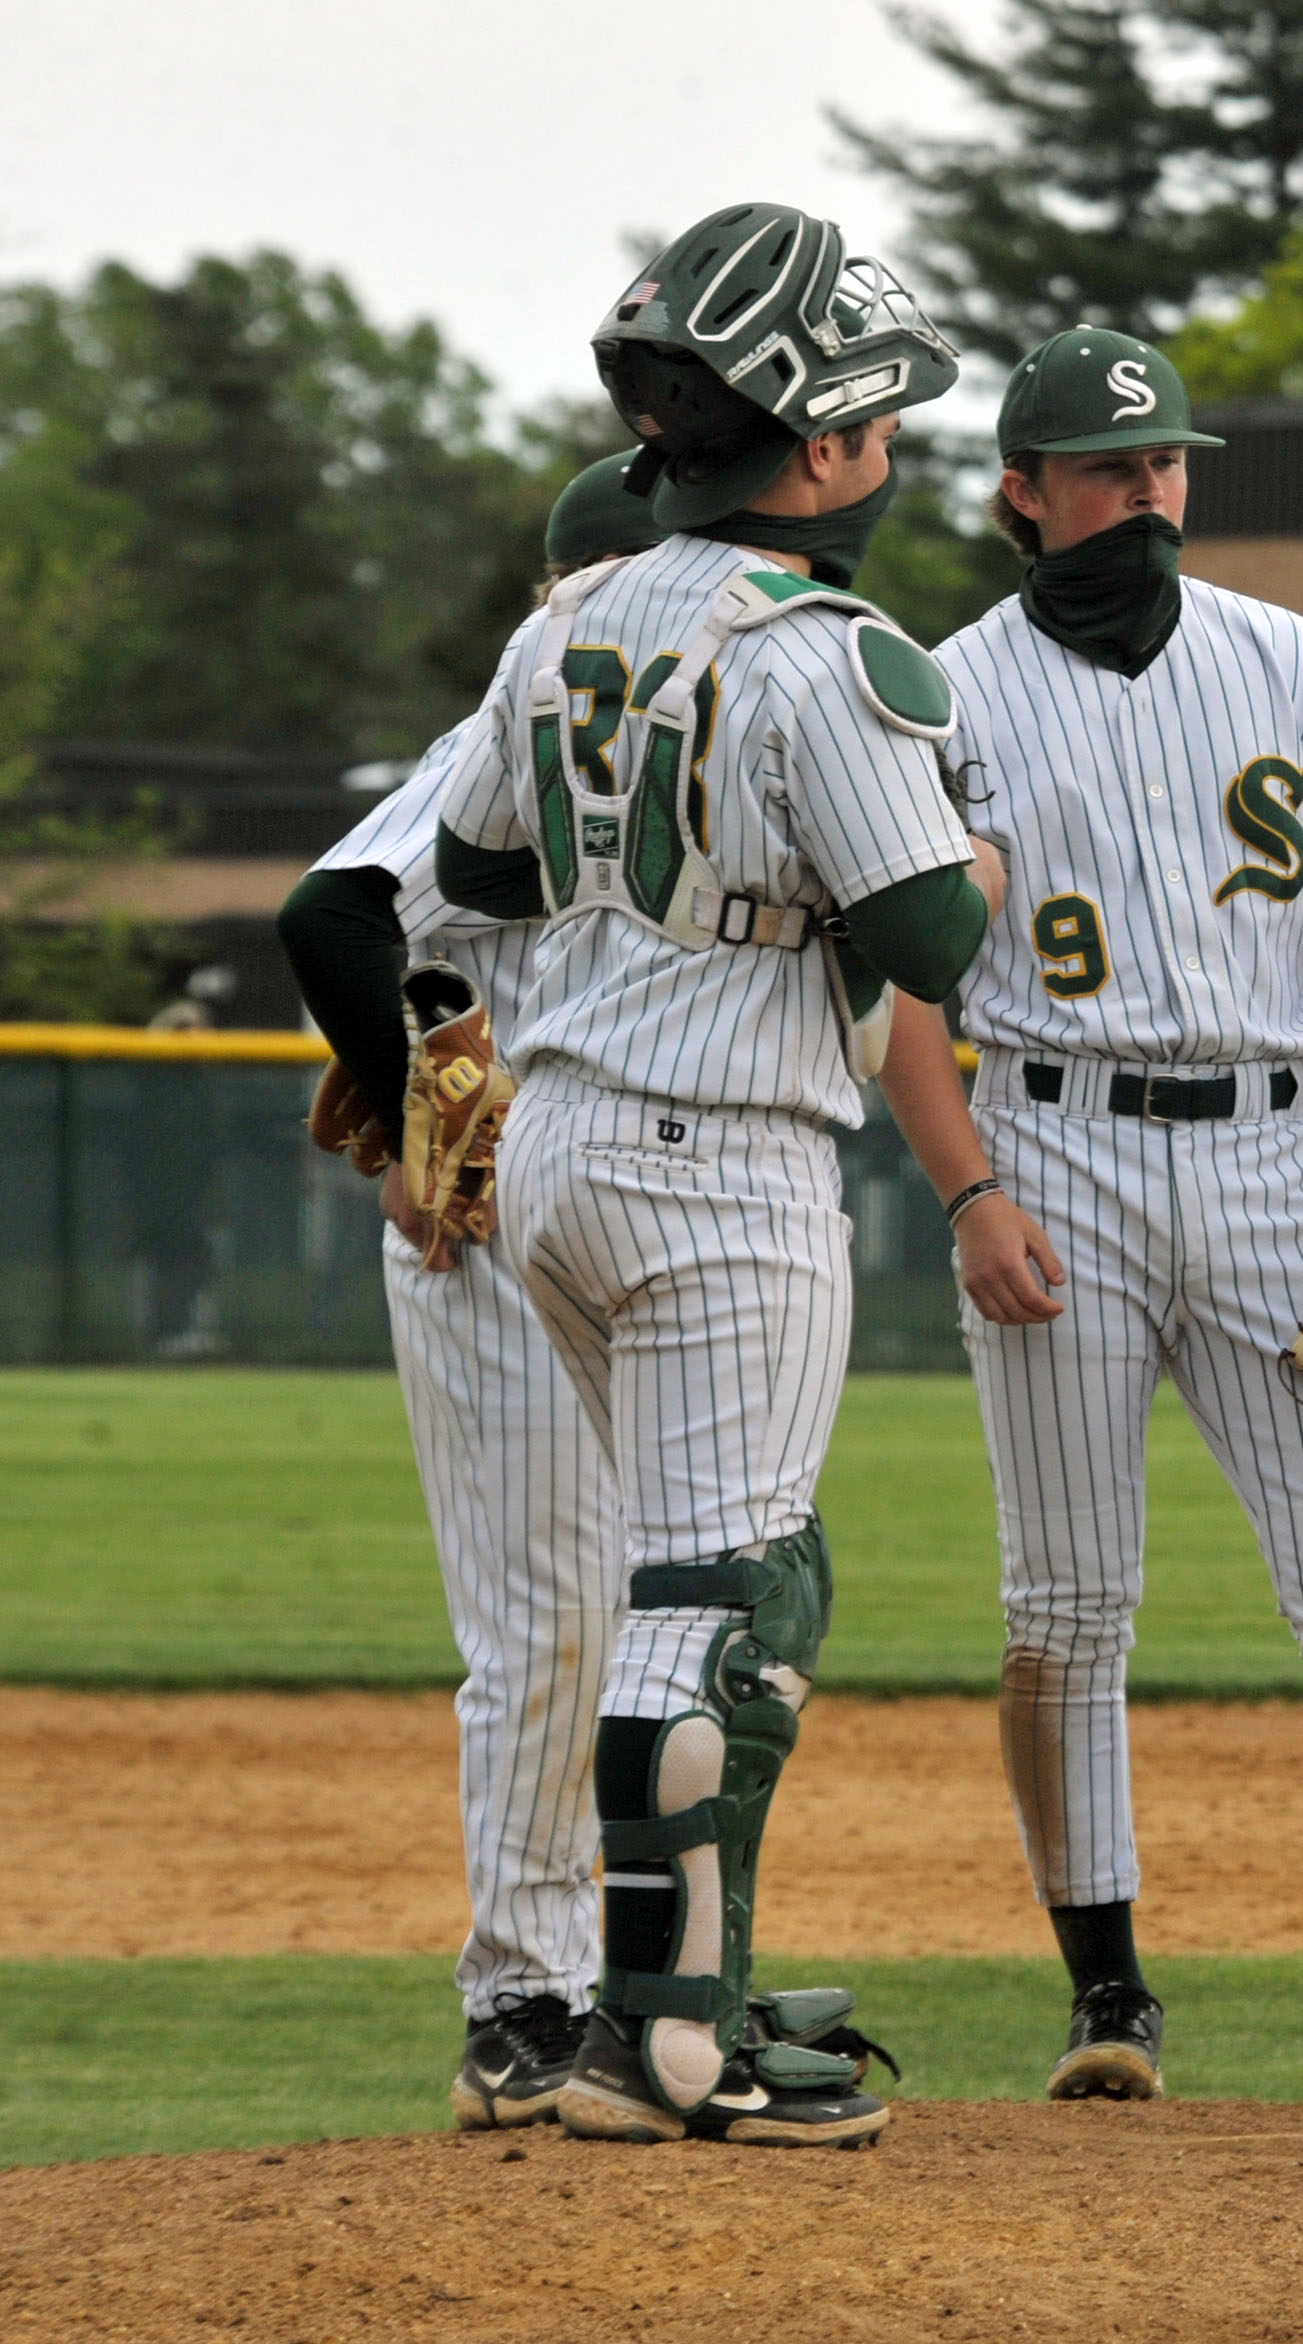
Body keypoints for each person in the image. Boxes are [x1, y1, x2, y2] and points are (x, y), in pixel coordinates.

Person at [871, 327, 1303, 2114]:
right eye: (1104, 468)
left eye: (1164, 465)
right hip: (1052, 1146)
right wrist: (970, 1191)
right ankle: (1107, 1995)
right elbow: (901, 994)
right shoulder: (944, 691)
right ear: (1023, 492)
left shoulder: (1286, 656)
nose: (1145, 491)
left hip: (1262, 1153)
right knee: (1068, 1604)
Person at [430, 202, 1002, 2150]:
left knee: (737, 1571)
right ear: (822, 442)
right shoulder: (831, 653)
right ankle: (658, 2036)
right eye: (881, 416)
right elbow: (934, 939)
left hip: (562, 1141)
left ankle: (690, 2000)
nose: (896, 443)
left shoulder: (565, 620)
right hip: (720, 1159)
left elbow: (491, 874)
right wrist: (963, 869)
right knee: (715, 1599)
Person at [272, 456, 658, 2130]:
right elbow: (335, 912)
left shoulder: (687, 735)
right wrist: (429, 1103)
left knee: (680, 1617)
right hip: (498, 1233)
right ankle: (525, 1996)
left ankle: (647, 1989)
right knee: (553, 1622)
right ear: (562, 599)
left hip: (648, 1214)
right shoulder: (514, 732)